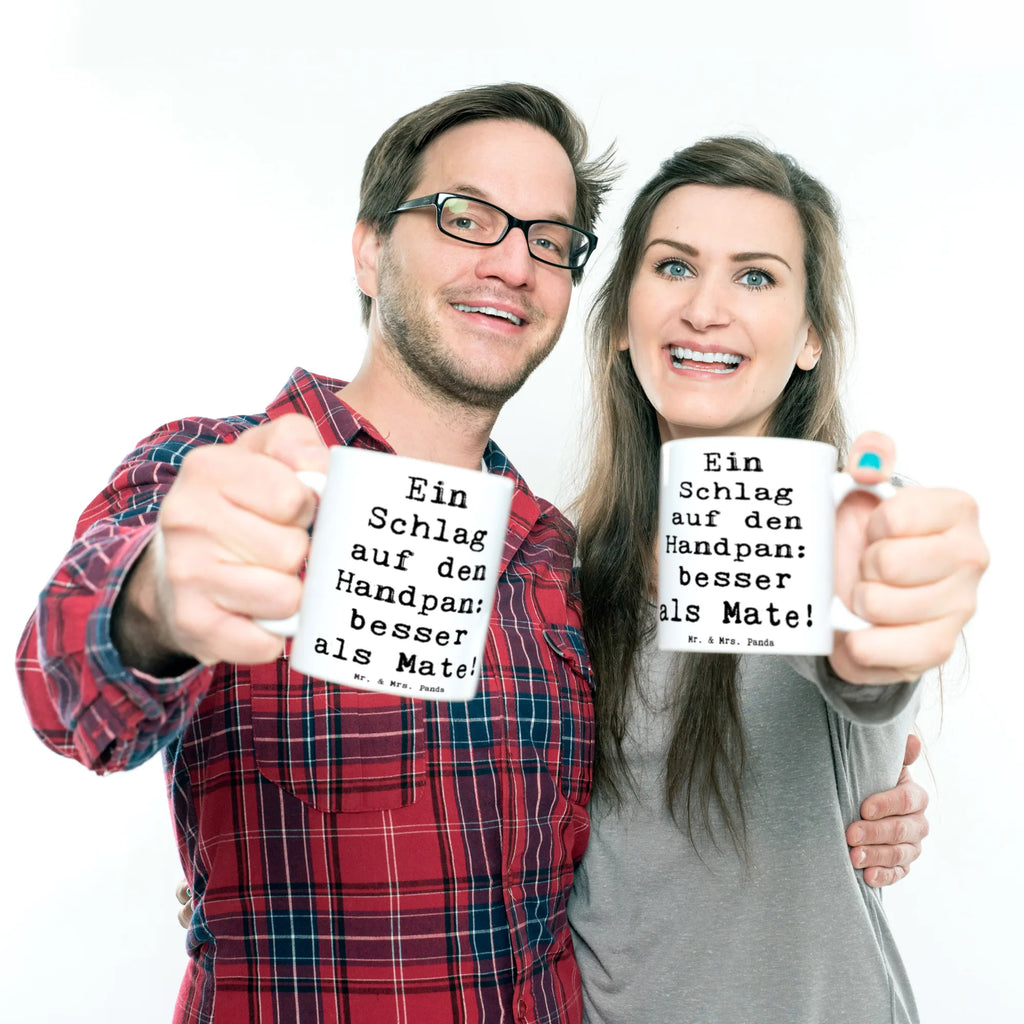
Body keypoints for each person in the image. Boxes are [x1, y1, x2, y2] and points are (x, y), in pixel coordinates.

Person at [19, 83, 935, 1024]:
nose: (511, 262)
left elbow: (837, 680)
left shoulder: (551, 557)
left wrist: (871, 774)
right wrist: (159, 603)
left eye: (547, 239)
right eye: (467, 218)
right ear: (371, 248)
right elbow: (66, 688)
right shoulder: (218, 472)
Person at [568, 136, 989, 1023]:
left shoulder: (847, 526)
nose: (707, 309)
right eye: (674, 266)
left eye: (755, 277)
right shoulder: (563, 571)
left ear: (809, 341)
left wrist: (883, 626)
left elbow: (862, 664)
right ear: (618, 321)